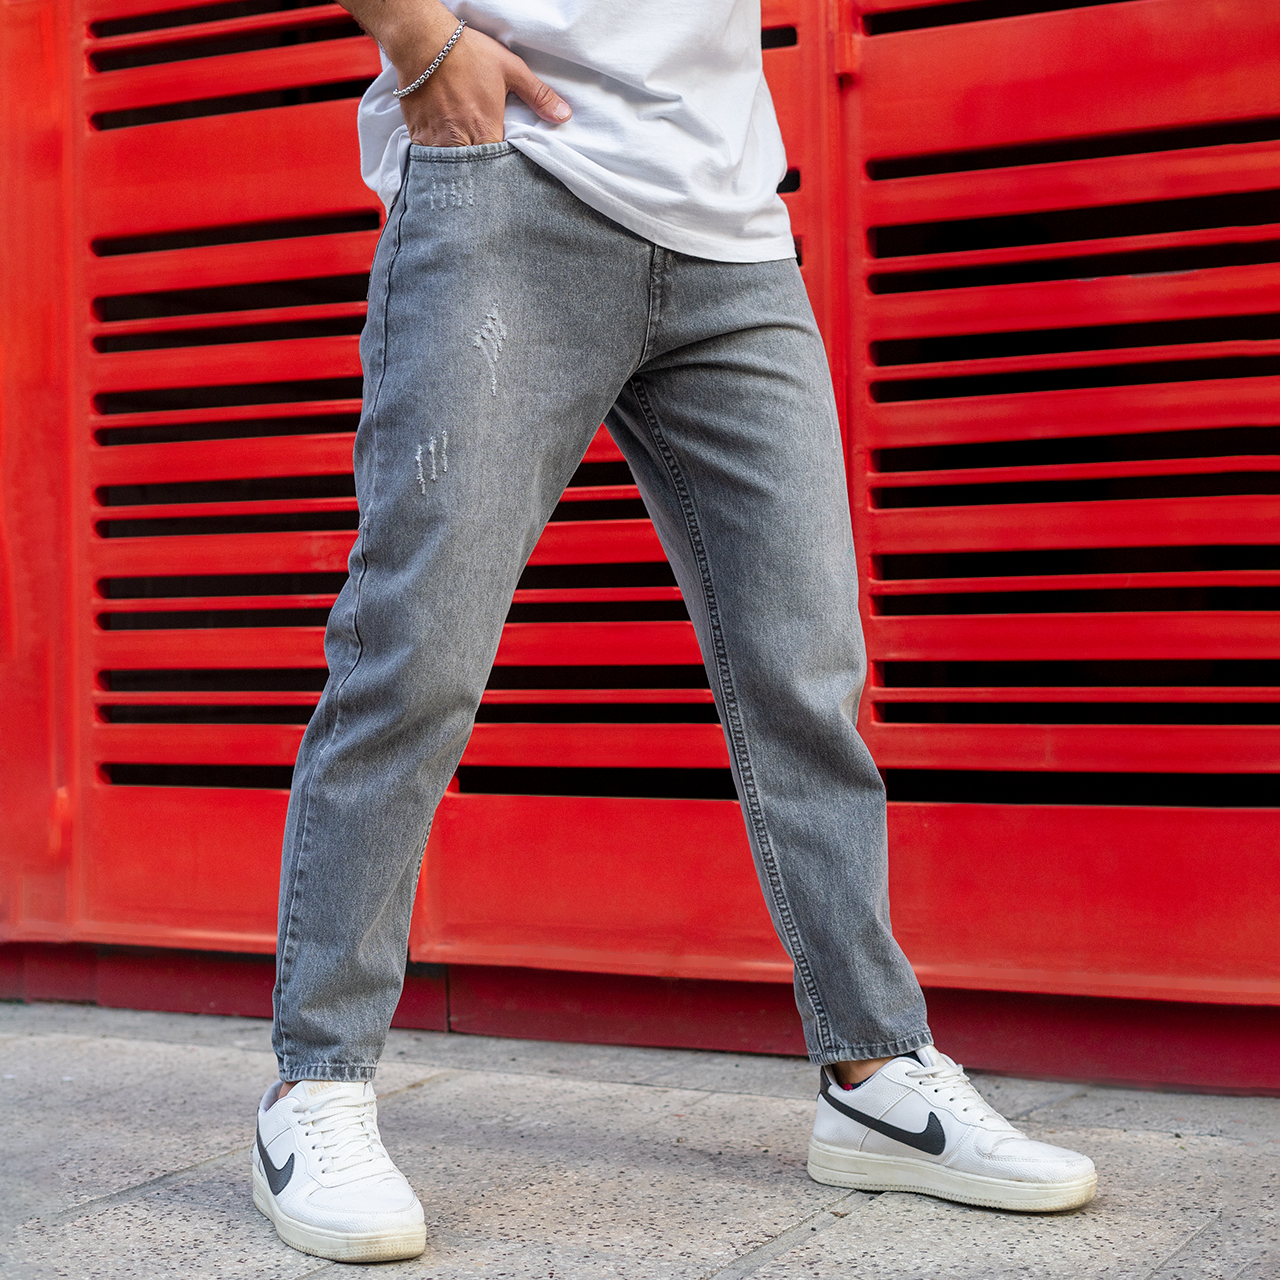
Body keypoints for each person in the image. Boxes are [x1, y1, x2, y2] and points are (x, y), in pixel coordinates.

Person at [250, 0, 1097, 1262]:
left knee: (804, 670)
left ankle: (873, 1074)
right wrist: (420, 39)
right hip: (510, 181)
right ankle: (314, 1081)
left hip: (729, 222)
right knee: (415, 655)